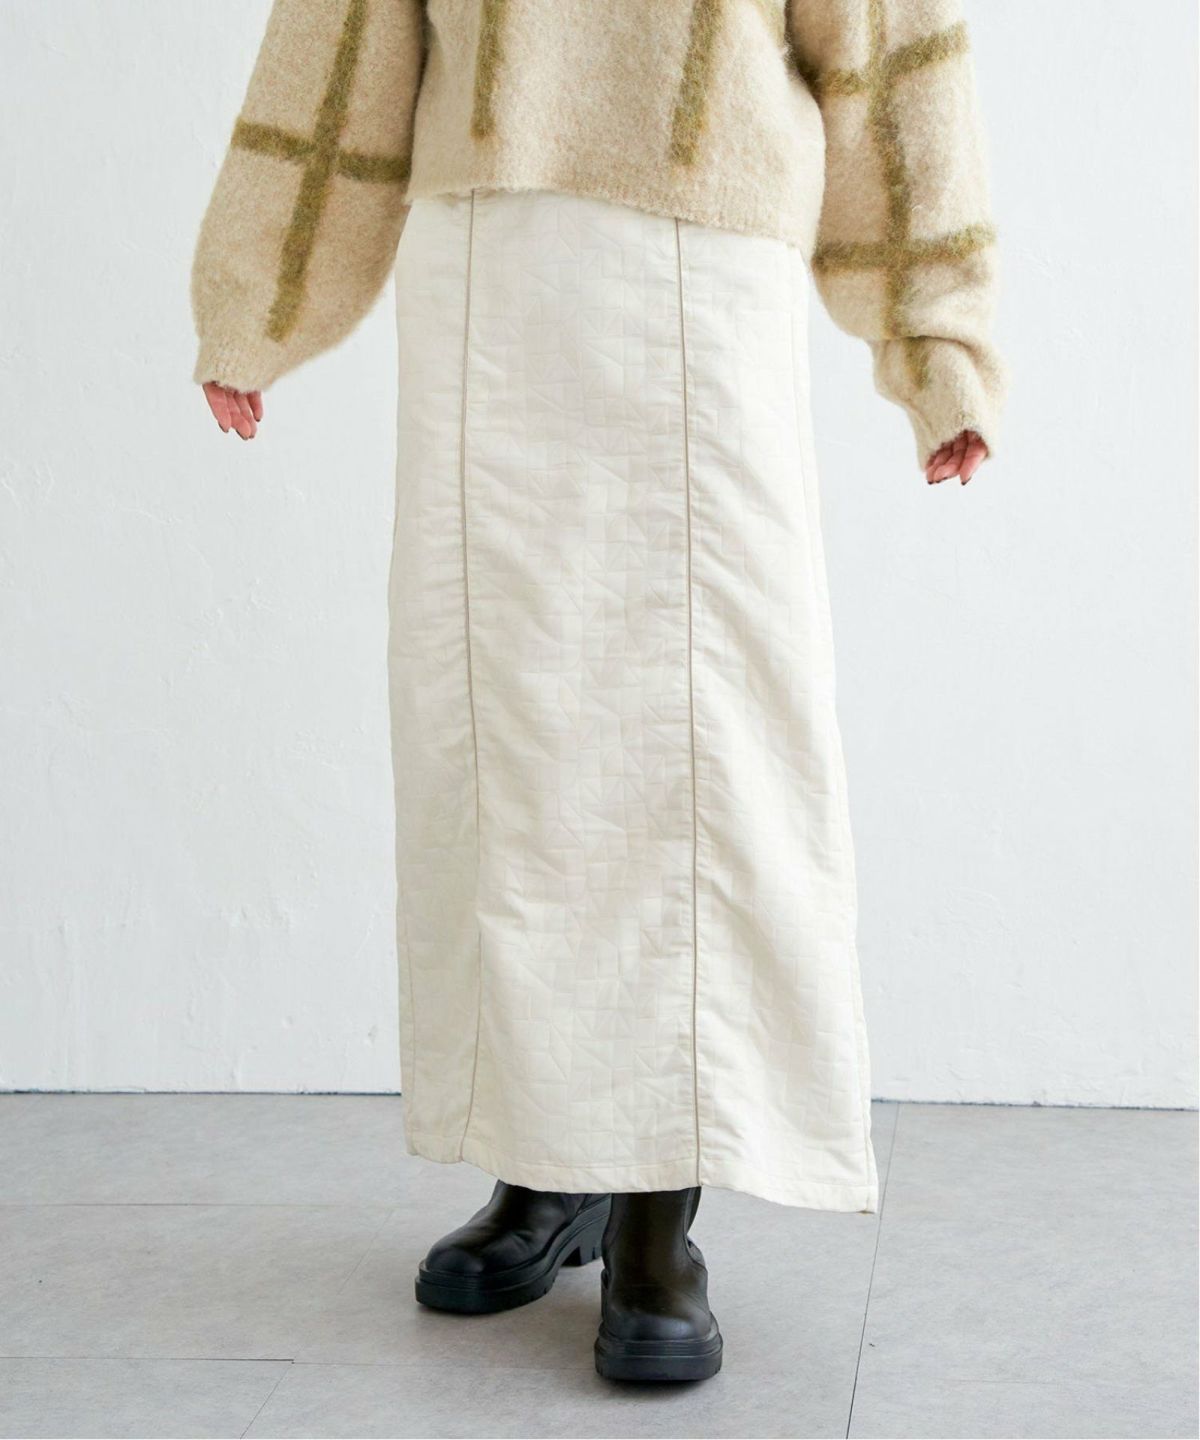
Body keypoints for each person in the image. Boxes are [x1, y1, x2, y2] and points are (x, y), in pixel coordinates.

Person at [191, 0, 1005, 1384]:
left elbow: (888, 47)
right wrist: (256, 298)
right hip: (487, 270)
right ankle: (545, 1163)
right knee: (501, 742)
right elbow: (345, 31)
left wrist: (941, 346)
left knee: (696, 750)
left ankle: (655, 1211)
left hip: (705, 266)